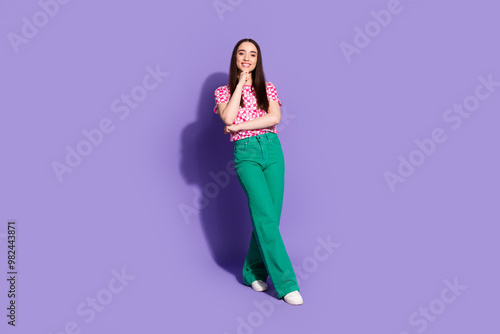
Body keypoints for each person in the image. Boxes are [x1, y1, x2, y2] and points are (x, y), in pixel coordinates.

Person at [213, 38, 303, 306]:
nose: (247, 58)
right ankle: (287, 283)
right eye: (242, 53)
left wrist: (240, 126)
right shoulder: (223, 91)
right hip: (247, 154)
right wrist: (240, 84)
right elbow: (228, 117)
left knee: (270, 216)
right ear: (235, 58)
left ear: (257, 60)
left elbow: (274, 118)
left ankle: (252, 271)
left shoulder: (268, 88)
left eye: (252, 54)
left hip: (273, 150)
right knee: (264, 213)